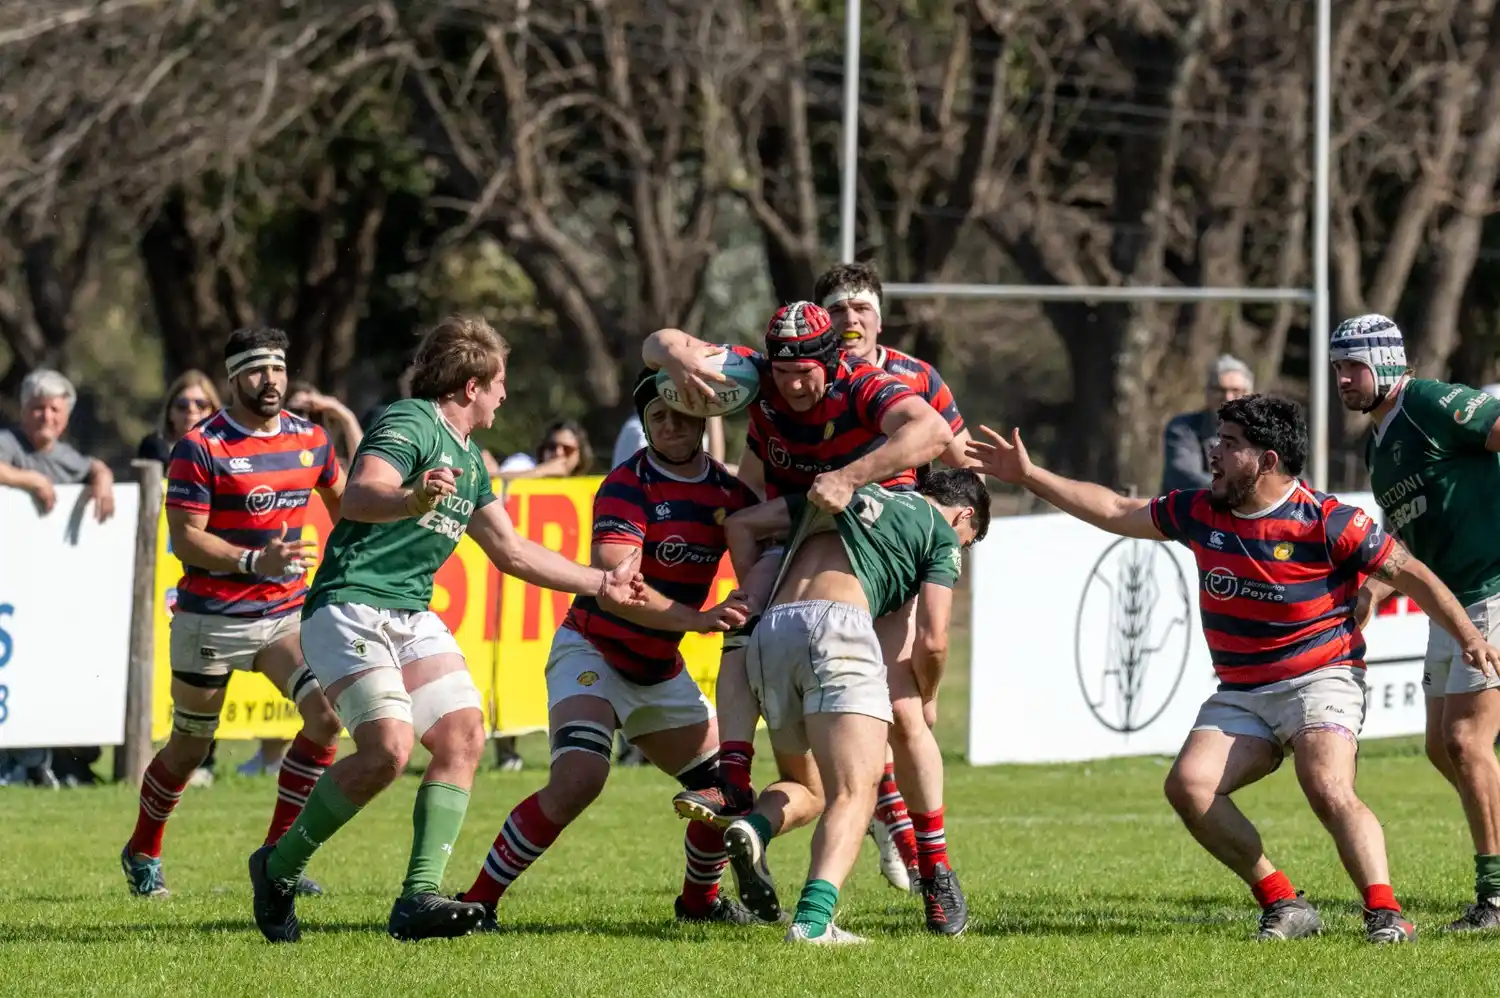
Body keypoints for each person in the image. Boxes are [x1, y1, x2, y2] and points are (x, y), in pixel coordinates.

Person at [967, 394, 1500, 943]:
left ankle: (1386, 913)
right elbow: (1113, 509)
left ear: (1268, 461)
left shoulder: (1328, 520)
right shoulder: (1201, 511)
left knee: (1326, 783)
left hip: (1323, 677)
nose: (1213, 451)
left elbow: (1412, 574)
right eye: (1216, 439)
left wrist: (1468, 637)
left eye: (1229, 443)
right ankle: (1283, 901)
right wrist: (1029, 475)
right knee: (1189, 786)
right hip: (1245, 690)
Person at [247, 314, 647, 944]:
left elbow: (511, 552)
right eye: (499, 383)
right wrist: (410, 499)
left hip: (409, 612)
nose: (505, 395)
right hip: (349, 604)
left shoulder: (470, 461)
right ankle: (277, 868)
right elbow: (359, 495)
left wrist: (601, 584)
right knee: (388, 751)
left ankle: (417, 900)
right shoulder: (411, 421)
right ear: (470, 386)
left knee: (464, 735)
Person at [645, 300, 964, 933]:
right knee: (752, 619)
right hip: (808, 549)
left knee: (879, 730)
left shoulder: (867, 383)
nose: (794, 385)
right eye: (784, 371)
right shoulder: (755, 373)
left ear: (834, 358)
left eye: (806, 372)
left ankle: (926, 866)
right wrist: (681, 354)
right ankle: (742, 786)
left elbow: (935, 435)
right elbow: (658, 340)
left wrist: (850, 476)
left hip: (849, 536)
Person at [455, 369, 764, 926]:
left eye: (680, 412)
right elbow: (619, 594)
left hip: (657, 668)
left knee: (722, 789)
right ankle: (478, 901)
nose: (670, 425)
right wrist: (699, 619)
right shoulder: (627, 484)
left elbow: (764, 554)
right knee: (580, 778)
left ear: (703, 418)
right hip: (593, 651)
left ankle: (701, 905)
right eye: (657, 416)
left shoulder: (728, 493)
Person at [705, 469, 987, 943]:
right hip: (838, 624)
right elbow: (934, 640)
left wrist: (756, 593)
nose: (960, 547)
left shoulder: (845, 489)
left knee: (808, 786)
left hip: (771, 630)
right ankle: (814, 922)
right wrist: (931, 695)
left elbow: (742, 523)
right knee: (856, 792)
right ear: (966, 515)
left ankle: (755, 828)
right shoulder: (941, 533)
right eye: (968, 540)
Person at [121, 329, 345, 899]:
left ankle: (278, 859)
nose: (269, 380)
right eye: (255, 370)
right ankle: (143, 848)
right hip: (212, 617)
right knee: (190, 747)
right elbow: (186, 540)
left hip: (283, 615)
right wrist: (254, 559)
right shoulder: (201, 446)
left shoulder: (311, 440)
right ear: (232, 378)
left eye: (277, 368)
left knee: (324, 716)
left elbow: (346, 504)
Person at [1332, 314, 1500, 932]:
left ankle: (1496, 896)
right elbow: (1405, 531)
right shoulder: (1377, 441)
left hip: (1495, 587)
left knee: (1466, 742)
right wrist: (1373, 590)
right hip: (1449, 604)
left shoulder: (1428, 401)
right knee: (1441, 747)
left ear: (1387, 364)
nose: (1343, 380)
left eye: (1353, 367)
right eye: (1336, 370)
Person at [814, 261, 977, 893]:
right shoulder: (808, 376)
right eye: (838, 309)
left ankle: (899, 824)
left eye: (861, 309)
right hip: (837, 551)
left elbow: (960, 457)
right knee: (889, 708)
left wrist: (963, 520)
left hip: (904, 554)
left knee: (910, 711)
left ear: (880, 316)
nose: (850, 319)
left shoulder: (918, 377)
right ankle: (914, 846)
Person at [0, 369, 117, 787]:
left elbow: (93, 467)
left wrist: (102, 478)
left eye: (54, 409)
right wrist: (27, 478)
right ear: (22, 411)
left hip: (56, 595)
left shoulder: (67, 456)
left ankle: (57, 765)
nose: (45, 416)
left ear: (65, 416)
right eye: (37, 408)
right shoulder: (9, 444)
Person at [1160, 355, 1255, 493]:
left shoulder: (1260, 434)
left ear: (1250, 395)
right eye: (1220, 390)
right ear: (1207, 392)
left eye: (1236, 391)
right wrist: (1239, 490)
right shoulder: (1183, 428)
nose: (1227, 398)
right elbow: (1185, 477)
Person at [498, 418, 594, 480]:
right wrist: (542, 472)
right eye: (552, 447)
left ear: (580, 456)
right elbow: (492, 482)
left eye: (567, 449)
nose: (558, 453)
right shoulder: (523, 463)